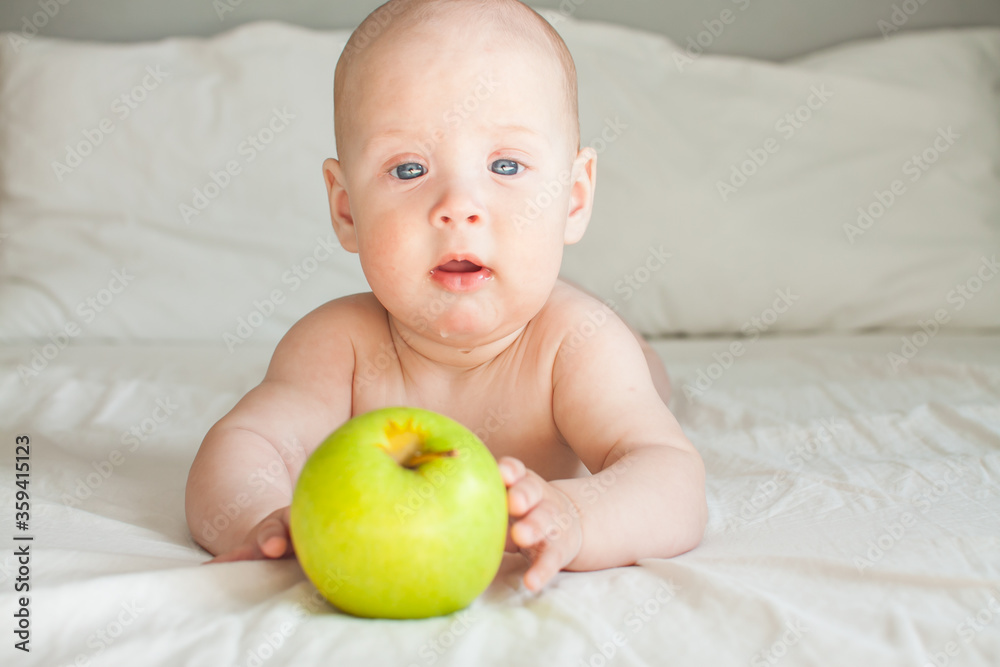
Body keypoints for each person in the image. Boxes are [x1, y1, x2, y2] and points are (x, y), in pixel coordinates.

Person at [185, 0, 706, 593]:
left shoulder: (575, 346)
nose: (458, 206)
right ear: (346, 208)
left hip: (599, 346)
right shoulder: (338, 346)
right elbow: (242, 447)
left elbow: (671, 477)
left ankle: (648, 363)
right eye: (408, 170)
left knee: (638, 374)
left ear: (574, 199)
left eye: (506, 165)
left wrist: (578, 515)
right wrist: (267, 519)